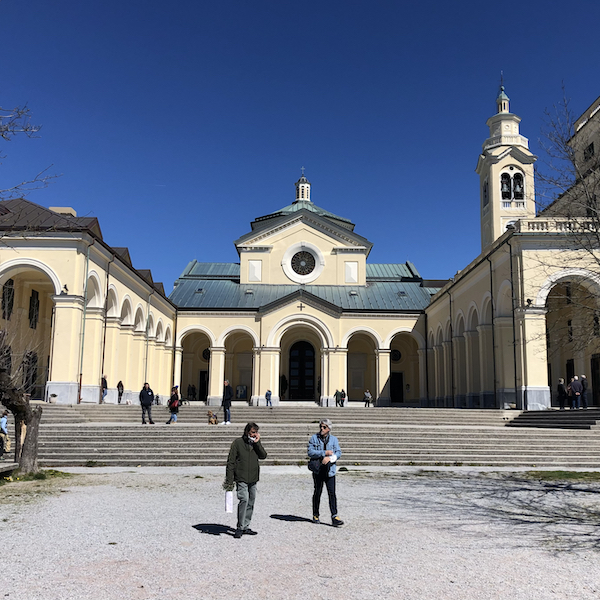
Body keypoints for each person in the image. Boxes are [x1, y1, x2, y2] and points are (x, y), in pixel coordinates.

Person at [225, 422, 267, 539]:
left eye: (256, 432)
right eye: (253, 432)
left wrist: (257, 443)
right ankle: (239, 527)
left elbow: (263, 455)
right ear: (247, 432)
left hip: (253, 477)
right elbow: (231, 462)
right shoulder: (238, 443)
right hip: (241, 477)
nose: (254, 434)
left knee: (251, 501)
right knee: (244, 499)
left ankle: (245, 526)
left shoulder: (255, 443)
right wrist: (229, 480)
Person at [307, 419, 344, 527]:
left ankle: (334, 515)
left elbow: (338, 452)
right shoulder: (314, 438)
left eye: (324, 427)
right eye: (321, 427)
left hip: (330, 471)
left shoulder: (334, 440)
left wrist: (331, 458)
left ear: (329, 429)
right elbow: (310, 452)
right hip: (318, 470)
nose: (321, 429)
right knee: (317, 492)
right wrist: (324, 453)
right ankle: (315, 514)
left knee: (332, 493)